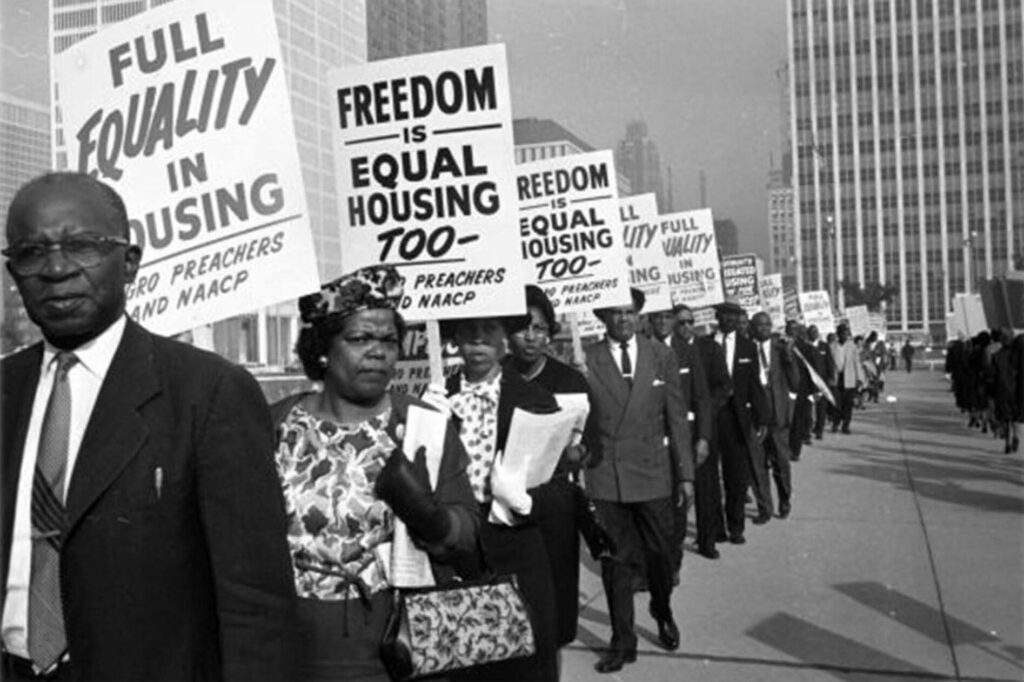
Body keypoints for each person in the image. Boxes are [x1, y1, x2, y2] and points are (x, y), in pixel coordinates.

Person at [1, 172, 297, 681]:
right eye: (32, 253)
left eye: (82, 246)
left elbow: (255, 604)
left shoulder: (209, 393)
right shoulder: (5, 388)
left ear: (130, 262)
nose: (55, 268)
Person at [271, 266, 481, 681]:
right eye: (360, 338)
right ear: (322, 349)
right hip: (291, 642)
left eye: (388, 340)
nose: (378, 351)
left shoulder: (423, 426)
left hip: (394, 642)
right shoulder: (276, 424)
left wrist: (432, 518)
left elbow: (469, 533)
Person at [435, 313, 562, 681]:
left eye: (488, 331)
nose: (478, 341)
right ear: (455, 339)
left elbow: (559, 488)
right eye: (468, 332)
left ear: (504, 337)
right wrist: (425, 426)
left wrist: (526, 501)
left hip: (515, 547)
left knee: (521, 666)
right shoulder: (437, 397)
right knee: (461, 659)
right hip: (455, 549)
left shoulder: (534, 399)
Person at [582, 289, 693, 673]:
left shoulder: (661, 355)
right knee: (616, 562)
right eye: (615, 313)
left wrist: (687, 476)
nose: (623, 319)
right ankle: (622, 641)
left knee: (661, 556)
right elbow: (578, 419)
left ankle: (661, 609)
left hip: (653, 471)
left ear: (639, 317)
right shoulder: (588, 359)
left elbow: (677, 418)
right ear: (603, 318)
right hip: (607, 474)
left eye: (630, 312)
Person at [505, 284, 589, 651]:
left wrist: (580, 453)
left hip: (554, 503)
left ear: (550, 333)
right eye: (522, 327)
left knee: (555, 604)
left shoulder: (570, 380)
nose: (530, 337)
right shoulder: (493, 378)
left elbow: (593, 444)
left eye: (539, 328)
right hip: (503, 505)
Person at [667, 304, 727, 560]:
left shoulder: (708, 348)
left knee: (705, 487)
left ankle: (707, 539)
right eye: (680, 322)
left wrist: (704, 418)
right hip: (672, 429)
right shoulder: (663, 349)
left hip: (698, 426)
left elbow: (722, 387)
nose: (686, 326)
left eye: (690, 321)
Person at [711, 296, 770, 543]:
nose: (730, 319)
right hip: (711, 417)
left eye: (735, 315)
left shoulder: (748, 347)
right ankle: (715, 528)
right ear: (718, 318)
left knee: (737, 476)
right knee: (710, 477)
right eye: (725, 314)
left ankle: (736, 527)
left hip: (739, 419)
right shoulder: (704, 344)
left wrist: (762, 418)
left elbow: (755, 385)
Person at [749, 313, 800, 519]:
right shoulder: (746, 348)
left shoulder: (781, 349)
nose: (763, 329)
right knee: (757, 464)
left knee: (781, 462)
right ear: (753, 328)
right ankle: (765, 508)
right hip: (755, 417)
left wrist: (788, 356)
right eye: (759, 326)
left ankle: (785, 498)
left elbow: (795, 381)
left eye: (767, 325)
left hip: (777, 415)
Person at [832, 324, 866, 434]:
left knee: (848, 404)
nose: (845, 335)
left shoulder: (852, 347)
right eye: (842, 333)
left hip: (849, 379)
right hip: (836, 378)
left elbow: (857, 363)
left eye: (847, 333)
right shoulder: (832, 346)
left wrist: (860, 378)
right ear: (838, 334)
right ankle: (836, 423)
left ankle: (845, 426)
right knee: (837, 403)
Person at [806, 325, 835, 440]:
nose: (814, 334)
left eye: (815, 332)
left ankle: (819, 430)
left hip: (822, 382)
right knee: (808, 408)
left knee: (821, 407)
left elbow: (830, 362)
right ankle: (807, 431)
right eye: (811, 332)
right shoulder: (805, 346)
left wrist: (831, 376)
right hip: (808, 382)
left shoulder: (824, 346)